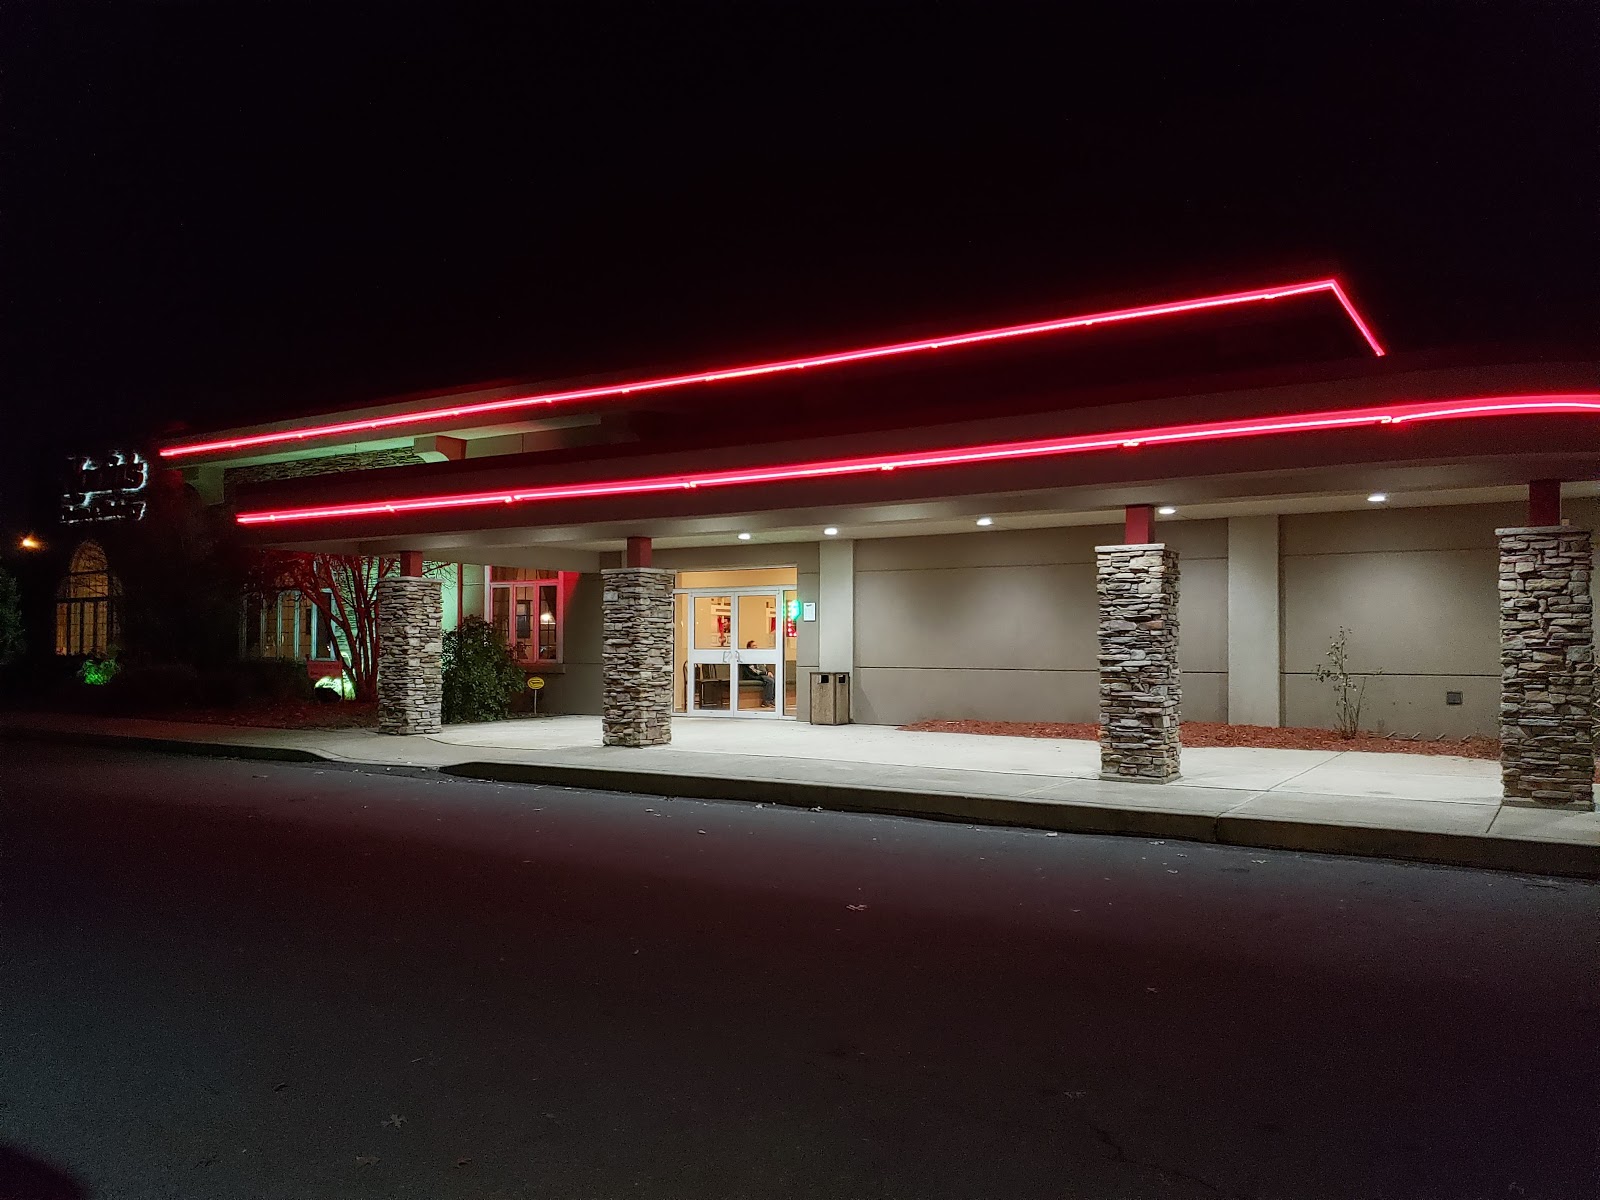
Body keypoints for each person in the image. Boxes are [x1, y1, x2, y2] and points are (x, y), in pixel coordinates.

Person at [742, 639, 776, 707]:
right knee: (770, 681)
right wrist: (765, 673)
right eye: (754, 646)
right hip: (752, 675)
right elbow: (753, 670)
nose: (756, 647)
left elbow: (764, 666)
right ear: (749, 648)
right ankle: (766, 701)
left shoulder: (759, 656)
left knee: (775, 679)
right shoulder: (747, 657)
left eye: (756, 646)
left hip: (761, 674)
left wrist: (768, 672)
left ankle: (772, 700)